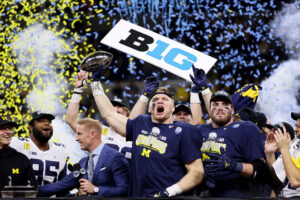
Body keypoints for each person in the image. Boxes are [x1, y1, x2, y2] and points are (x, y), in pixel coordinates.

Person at [89, 66, 204, 197]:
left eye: (165, 99)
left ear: (173, 108)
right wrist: (95, 82)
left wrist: (168, 192)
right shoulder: (140, 123)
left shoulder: (184, 130)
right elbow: (109, 114)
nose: (159, 100)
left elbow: (197, 172)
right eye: (155, 100)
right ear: (149, 108)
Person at [199, 91, 268, 197]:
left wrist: (235, 166)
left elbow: (261, 170)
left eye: (225, 105)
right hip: (206, 193)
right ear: (209, 111)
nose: (220, 108)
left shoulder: (245, 128)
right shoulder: (199, 130)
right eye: (215, 105)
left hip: (237, 194)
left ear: (232, 111)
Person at [38, 118, 129, 197]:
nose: (76, 139)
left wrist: (96, 190)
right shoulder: (82, 162)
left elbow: (125, 190)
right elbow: (62, 185)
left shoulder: (115, 158)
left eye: (79, 134)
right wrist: (32, 191)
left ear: (92, 134)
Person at [66, 71, 132, 161]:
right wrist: (78, 90)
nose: (115, 110)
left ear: (128, 114)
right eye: (112, 107)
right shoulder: (100, 131)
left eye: (120, 107)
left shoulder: (137, 135)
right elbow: (71, 120)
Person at [10, 111, 69, 187]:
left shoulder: (60, 150)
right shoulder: (16, 144)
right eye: (41, 121)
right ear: (31, 127)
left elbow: (62, 184)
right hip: (23, 197)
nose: (47, 123)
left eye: (49, 122)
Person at [264, 112, 300, 197]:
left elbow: (295, 181)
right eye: (296, 125)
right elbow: (277, 179)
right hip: (286, 195)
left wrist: (284, 149)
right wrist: (270, 153)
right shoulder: (295, 142)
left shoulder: (287, 145)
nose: (295, 130)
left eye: (299, 127)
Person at [0, 117, 36, 195]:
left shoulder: (22, 160)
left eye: (9, 129)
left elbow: (32, 191)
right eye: (3, 128)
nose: (8, 132)